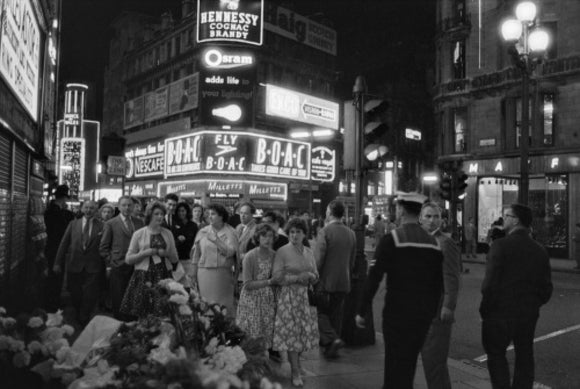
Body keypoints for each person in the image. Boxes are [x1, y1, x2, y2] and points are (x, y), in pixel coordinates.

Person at [355, 192, 443, 389]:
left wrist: (362, 310)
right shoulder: (433, 244)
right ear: (420, 212)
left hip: (397, 313)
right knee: (409, 362)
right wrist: (431, 313)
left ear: (401, 210)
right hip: (422, 316)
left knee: (394, 363)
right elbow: (437, 285)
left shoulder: (392, 239)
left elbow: (374, 277)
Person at [480, 204, 553, 389]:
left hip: (500, 312)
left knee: (496, 355)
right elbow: (546, 288)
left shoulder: (500, 245)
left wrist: (486, 308)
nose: (503, 218)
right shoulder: (539, 250)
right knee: (524, 355)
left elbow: (490, 284)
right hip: (527, 313)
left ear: (516, 220)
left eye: (506, 215)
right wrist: (534, 303)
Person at [272, 218, 319, 387]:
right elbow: (277, 277)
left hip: (304, 297)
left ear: (304, 233)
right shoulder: (282, 252)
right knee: (292, 335)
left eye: (298, 232)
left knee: (301, 333)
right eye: (292, 232)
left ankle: (298, 365)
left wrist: (312, 277)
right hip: (288, 297)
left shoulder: (308, 252)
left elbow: (315, 273)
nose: (294, 235)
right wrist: (297, 278)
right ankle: (295, 372)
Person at [419, 202, 461, 389]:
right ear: (420, 218)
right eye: (428, 216)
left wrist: (448, 305)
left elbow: (452, 277)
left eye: (435, 216)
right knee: (428, 360)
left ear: (441, 220)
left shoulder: (446, 243)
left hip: (436, 310)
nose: (431, 220)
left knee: (434, 360)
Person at [120, 201, 179, 318]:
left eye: (162, 214)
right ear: (149, 215)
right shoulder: (139, 234)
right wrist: (144, 253)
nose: (160, 216)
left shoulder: (168, 233)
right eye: (156, 214)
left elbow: (174, 258)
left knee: (164, 313)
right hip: (143, 277)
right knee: (143, 314)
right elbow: (128, 259)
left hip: (164, 276)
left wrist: (166, 254)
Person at [314, 200, 356, 359]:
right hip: (344, 282)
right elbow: (352, 261)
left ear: (330, 212)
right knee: (336, 315)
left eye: (326, 210)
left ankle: (332, 339)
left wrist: (314, 277)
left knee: (320, 313)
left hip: (326, 282)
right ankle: (332, 348)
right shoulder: (351, 233)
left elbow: (318, 259)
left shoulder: (325, 231)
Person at [53, 201, 104, 326]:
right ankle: (78, 312)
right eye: (86, 207)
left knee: (89, 294)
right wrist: (57, 263)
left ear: (96, 210)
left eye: (92, 208)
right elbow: (63, 244)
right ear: (82, 209)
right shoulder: (73, 224)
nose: (89, 210)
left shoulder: (102, 226)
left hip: (93, 266)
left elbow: (105, 245)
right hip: (74, 264)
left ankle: (83, 317)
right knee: (75, 293)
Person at [236, 223, 282, 350]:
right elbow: (247, 284)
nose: (267, 239)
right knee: (252, 334)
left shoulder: (274, 255)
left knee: (266, 333)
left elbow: (277, 278)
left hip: (267, 299)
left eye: (270, 236)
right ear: (257, 237)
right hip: (252, 299)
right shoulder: (250, 256)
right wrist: (269, 282)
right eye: (264, 236)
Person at [99, 196, 144, 320]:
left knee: (134, 297)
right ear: (119, 207)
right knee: (118, 298)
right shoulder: (111, 223)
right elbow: (103, 247)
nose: (127, 208)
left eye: (130, 205)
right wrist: (112, 261)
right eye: (124, 205)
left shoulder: (139, 222)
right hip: (118, 266)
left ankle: (133, 324)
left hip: (136, 266)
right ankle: (119, 324)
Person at [191, 203, 238, 315]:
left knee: (222, 307)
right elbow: (196, 255)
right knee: (205, 306)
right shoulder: (203, 231)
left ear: (221, 216)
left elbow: (230, 252)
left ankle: (223, 330)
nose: (209, 216)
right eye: (208, 214)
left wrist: (216, 240)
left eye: (213, 214)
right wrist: (193, 274)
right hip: (203, 273)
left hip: (222, 274)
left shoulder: (231, 232)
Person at [43, 184, 75, 311]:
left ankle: (53, 302)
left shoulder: (53, 210)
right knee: (55, 276)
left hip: (52, 247)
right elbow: (59, 230)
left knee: (55, 276)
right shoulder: (55, 212)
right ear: (63, 198)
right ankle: (52, 304)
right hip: (55, 248)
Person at [174, 202, 198, 287]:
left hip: (189, 259)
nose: (181, 213)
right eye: (179, 211)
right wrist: (178, 240)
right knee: (178, 284)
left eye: (183, 211)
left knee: (189, 284)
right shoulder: (173, 224)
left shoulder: (193, 225)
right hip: (177, 259)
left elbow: (196, 242)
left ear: (187, 211)